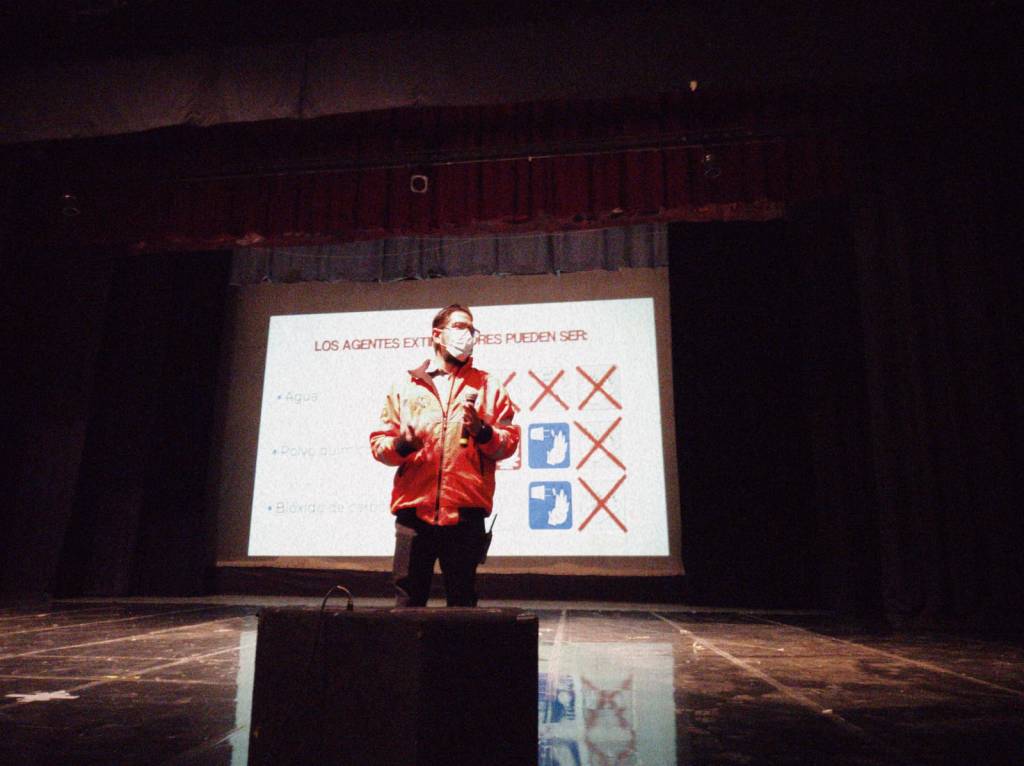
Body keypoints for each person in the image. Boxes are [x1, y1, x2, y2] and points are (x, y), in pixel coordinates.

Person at [370, 304, 520, 606]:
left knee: (463, 602)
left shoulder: (488, 384)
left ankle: (458, 657)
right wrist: (403, 445)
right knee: (408, 602)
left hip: (465, 513)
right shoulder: (406, 385)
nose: (469, 335)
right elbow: (379, 445)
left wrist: (482, 431)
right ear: (438, 335)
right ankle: (409, 656)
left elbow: (509, 443)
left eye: (472, 329)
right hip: (414, 513)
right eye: (461, 327)